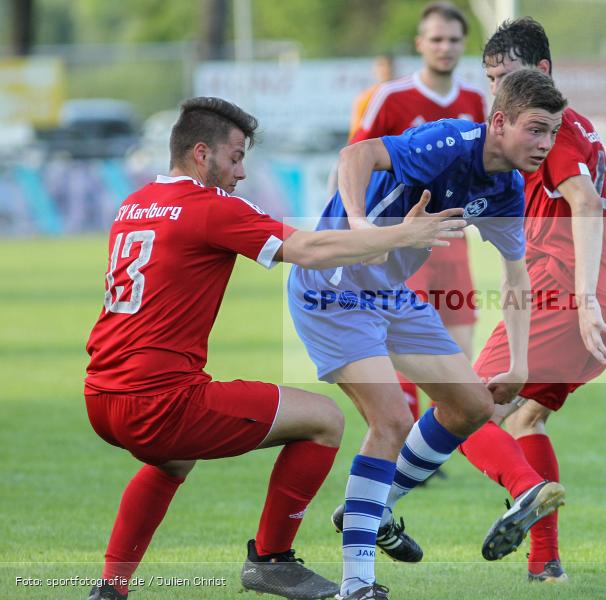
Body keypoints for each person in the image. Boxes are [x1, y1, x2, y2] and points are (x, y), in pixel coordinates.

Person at [83, 96, 467, 600]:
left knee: (172, 459)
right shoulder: (209, 207)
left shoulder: (133, 203)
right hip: (159, 401)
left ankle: (110, 587)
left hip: (100, 396)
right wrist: (402, 234)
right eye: (236, 156)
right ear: (202, 154)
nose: (241, 172)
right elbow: (308, 250)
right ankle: (272, 560)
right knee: (325, 419)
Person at [286, 70, 568, 600]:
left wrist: (522, 363)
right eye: (535, 129)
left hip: (389, 293)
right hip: (333, 288)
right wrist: (363, 228)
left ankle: (370, 507)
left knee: (471, 406)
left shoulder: (507, 187)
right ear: (500, 122)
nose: (544, 144)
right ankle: (357, 585)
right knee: (391, 421)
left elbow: (514, 274)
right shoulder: (449, 142)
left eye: (552, 133)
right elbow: (355, 156)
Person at [457, 18, 606, 583]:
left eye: (504, 74)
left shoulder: (549, 127)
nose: (496, 91)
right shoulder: (569, 123)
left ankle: (527, 490)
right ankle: (546, 567)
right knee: (525, 417)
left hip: (567, 288)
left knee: (463, 411)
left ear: (541, 71)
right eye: (489, 78)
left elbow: (583, 202)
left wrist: (583, 301)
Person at [350, 1, 487, 424]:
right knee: (408, 346)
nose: (445, 47)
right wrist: (361, 228)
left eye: (453, 40)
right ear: (420, 44)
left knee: (461, 353)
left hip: (453, 239)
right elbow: (353, 157)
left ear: (464, 44)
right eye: (436, 39)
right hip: (403, 240)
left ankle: (428, 448)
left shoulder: (477, 99)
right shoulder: (391, 98)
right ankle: (400, 439)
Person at [348, 54, 395, 143]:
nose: (386, 69)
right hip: (375, 149)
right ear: (374, 70)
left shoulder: (402, 95)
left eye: (389, 65)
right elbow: (356, 133)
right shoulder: (365, 98)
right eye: (381, 65)